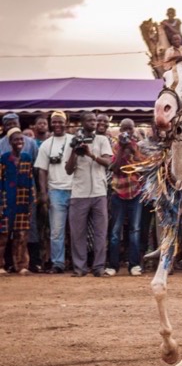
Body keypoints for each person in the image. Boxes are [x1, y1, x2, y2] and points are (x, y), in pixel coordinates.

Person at [65, 112, 113, 277]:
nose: (94, 123)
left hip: (99, 192)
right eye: (90, 120)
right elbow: (68, 169)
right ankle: (80, 268)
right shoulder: (73, 141)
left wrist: (91, 154)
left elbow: (108, 162)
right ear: (82, 123)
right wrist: (74, 151)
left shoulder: (102, 140)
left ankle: (98, 267)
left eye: (95, 120)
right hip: (79, 193)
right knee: (78, 232)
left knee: (101, 232)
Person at [34, 111, 73, 273]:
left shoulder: (73, 141)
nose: (57, 125)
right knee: (57, 231)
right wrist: (43, 193)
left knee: (76, 230)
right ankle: (58, 263)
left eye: (60, 122)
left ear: (66, 123)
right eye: (54, 122)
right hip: (55, 191)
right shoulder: (46, 144)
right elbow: (41, 170)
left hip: (75, 190)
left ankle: (78, 262)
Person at [104, 119, 144, 277]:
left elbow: (143, 167)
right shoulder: (115, 146)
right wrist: (122, 148)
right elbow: (115, 169)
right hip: (118, 193)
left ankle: (134, 265)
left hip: (135, 192)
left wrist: (133, 150)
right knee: (115, 231)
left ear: (134, 130)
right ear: (120, 130)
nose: (127, 132)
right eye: (124, 129)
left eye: (130, 129)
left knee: (135, 230)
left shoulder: (138, 146)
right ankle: (113, 265)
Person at [0, 129, 35, 275]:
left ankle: (21, 266)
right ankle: (0, 266)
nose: (19, 142)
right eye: (16, 140)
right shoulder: (4, 159)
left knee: (21, 235)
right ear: (10, 142)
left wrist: (32, 199)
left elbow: (30, 178)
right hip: (6, 201)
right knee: (2, 236)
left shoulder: (27, 158)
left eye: (21, 140)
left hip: (22, 202)